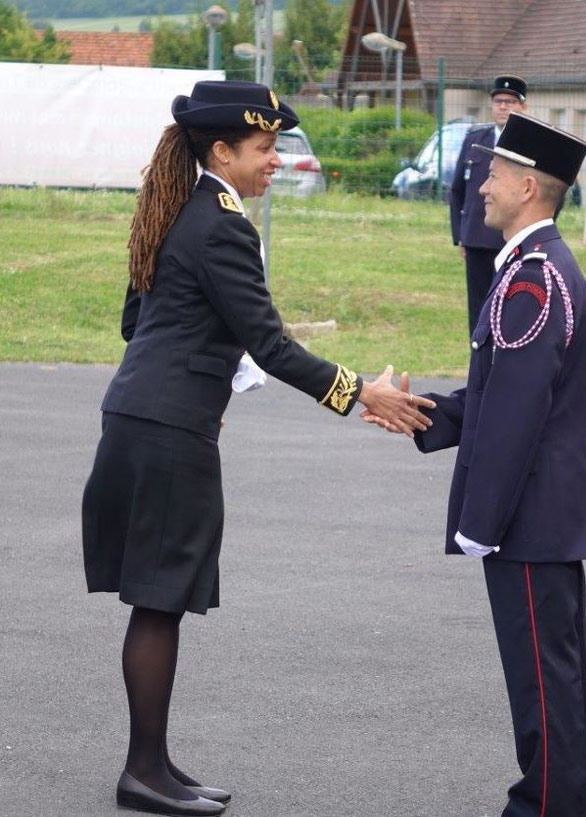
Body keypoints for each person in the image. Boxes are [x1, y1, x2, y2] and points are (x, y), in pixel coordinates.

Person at [81, 80, 434, 817]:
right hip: (169, 432)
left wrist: (199, 367)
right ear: (222, 151)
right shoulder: (222, 224)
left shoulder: (177, 208)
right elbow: (270, 344)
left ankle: (155, 764)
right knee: (158, 598)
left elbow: (134, 322)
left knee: (160, 599)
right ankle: (143, 770)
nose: (276, 159)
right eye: (266, 147)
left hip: (142, 419)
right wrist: (361, 390)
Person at [366, 112, 586, 817]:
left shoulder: (534, 282)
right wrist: (418, 414)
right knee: (550, 679)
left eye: (495, 174)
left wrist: (481, 522)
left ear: (530, 187)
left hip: (529, 519)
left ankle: (544, 807)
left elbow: (514, 421)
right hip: (538, 515)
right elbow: (493, 396)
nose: (481, 185)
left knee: (545, 682)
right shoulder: (531, 271)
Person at [450, 75, 528, 335]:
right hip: (477, 237)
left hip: (513, 239)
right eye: (498, 102)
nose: (503, 107)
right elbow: (457, 189)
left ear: (522, 106)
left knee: (511, 307)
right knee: (479, 310)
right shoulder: (476, 138)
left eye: (510, 102)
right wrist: (460, 236)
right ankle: (479, 368)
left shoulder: (531, 143)